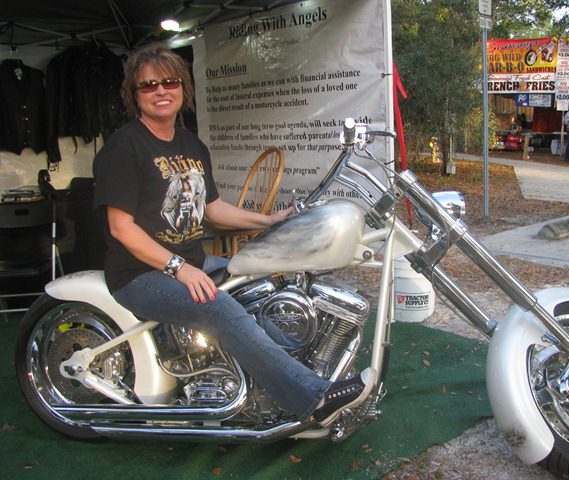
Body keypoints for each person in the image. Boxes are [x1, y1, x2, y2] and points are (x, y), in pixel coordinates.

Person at [92, 43, 375, 426]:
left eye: (170, 82)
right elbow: (120, 227)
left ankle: (273, 377)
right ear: (134, 93)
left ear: (183, 88)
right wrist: (179, 268)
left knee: (262, 283)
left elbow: (213, 209)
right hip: (139, 274)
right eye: (149, 85)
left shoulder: (191, 145)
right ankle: (314, 398)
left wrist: (268, 221)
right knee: (219, 308)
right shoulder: (125, 148)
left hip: (192, 261)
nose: (161, 91)